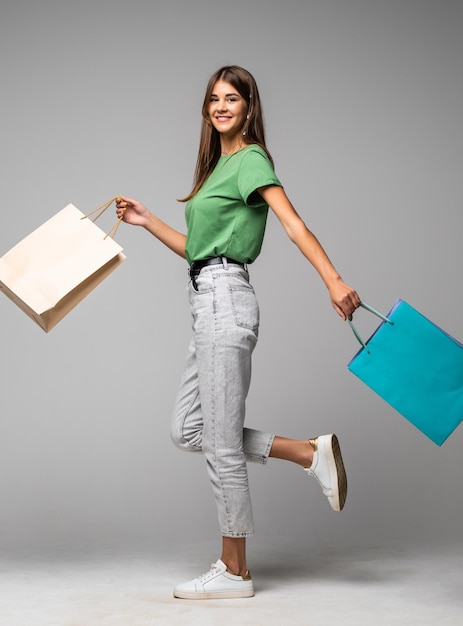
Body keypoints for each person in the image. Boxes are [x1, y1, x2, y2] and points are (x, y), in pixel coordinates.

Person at [116, 65, 360, 600]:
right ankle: (305, 452)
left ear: (249, 107)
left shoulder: (250, 159)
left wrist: (333, 279)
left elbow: (293, 223)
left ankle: (235, 571)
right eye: (213, 99)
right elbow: (195, 250)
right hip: (205, 299)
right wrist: (147, 219)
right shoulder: (217, 168)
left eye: (232, 98)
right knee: (189, 429)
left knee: (221, 444)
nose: (221, 106)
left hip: (226, 299)